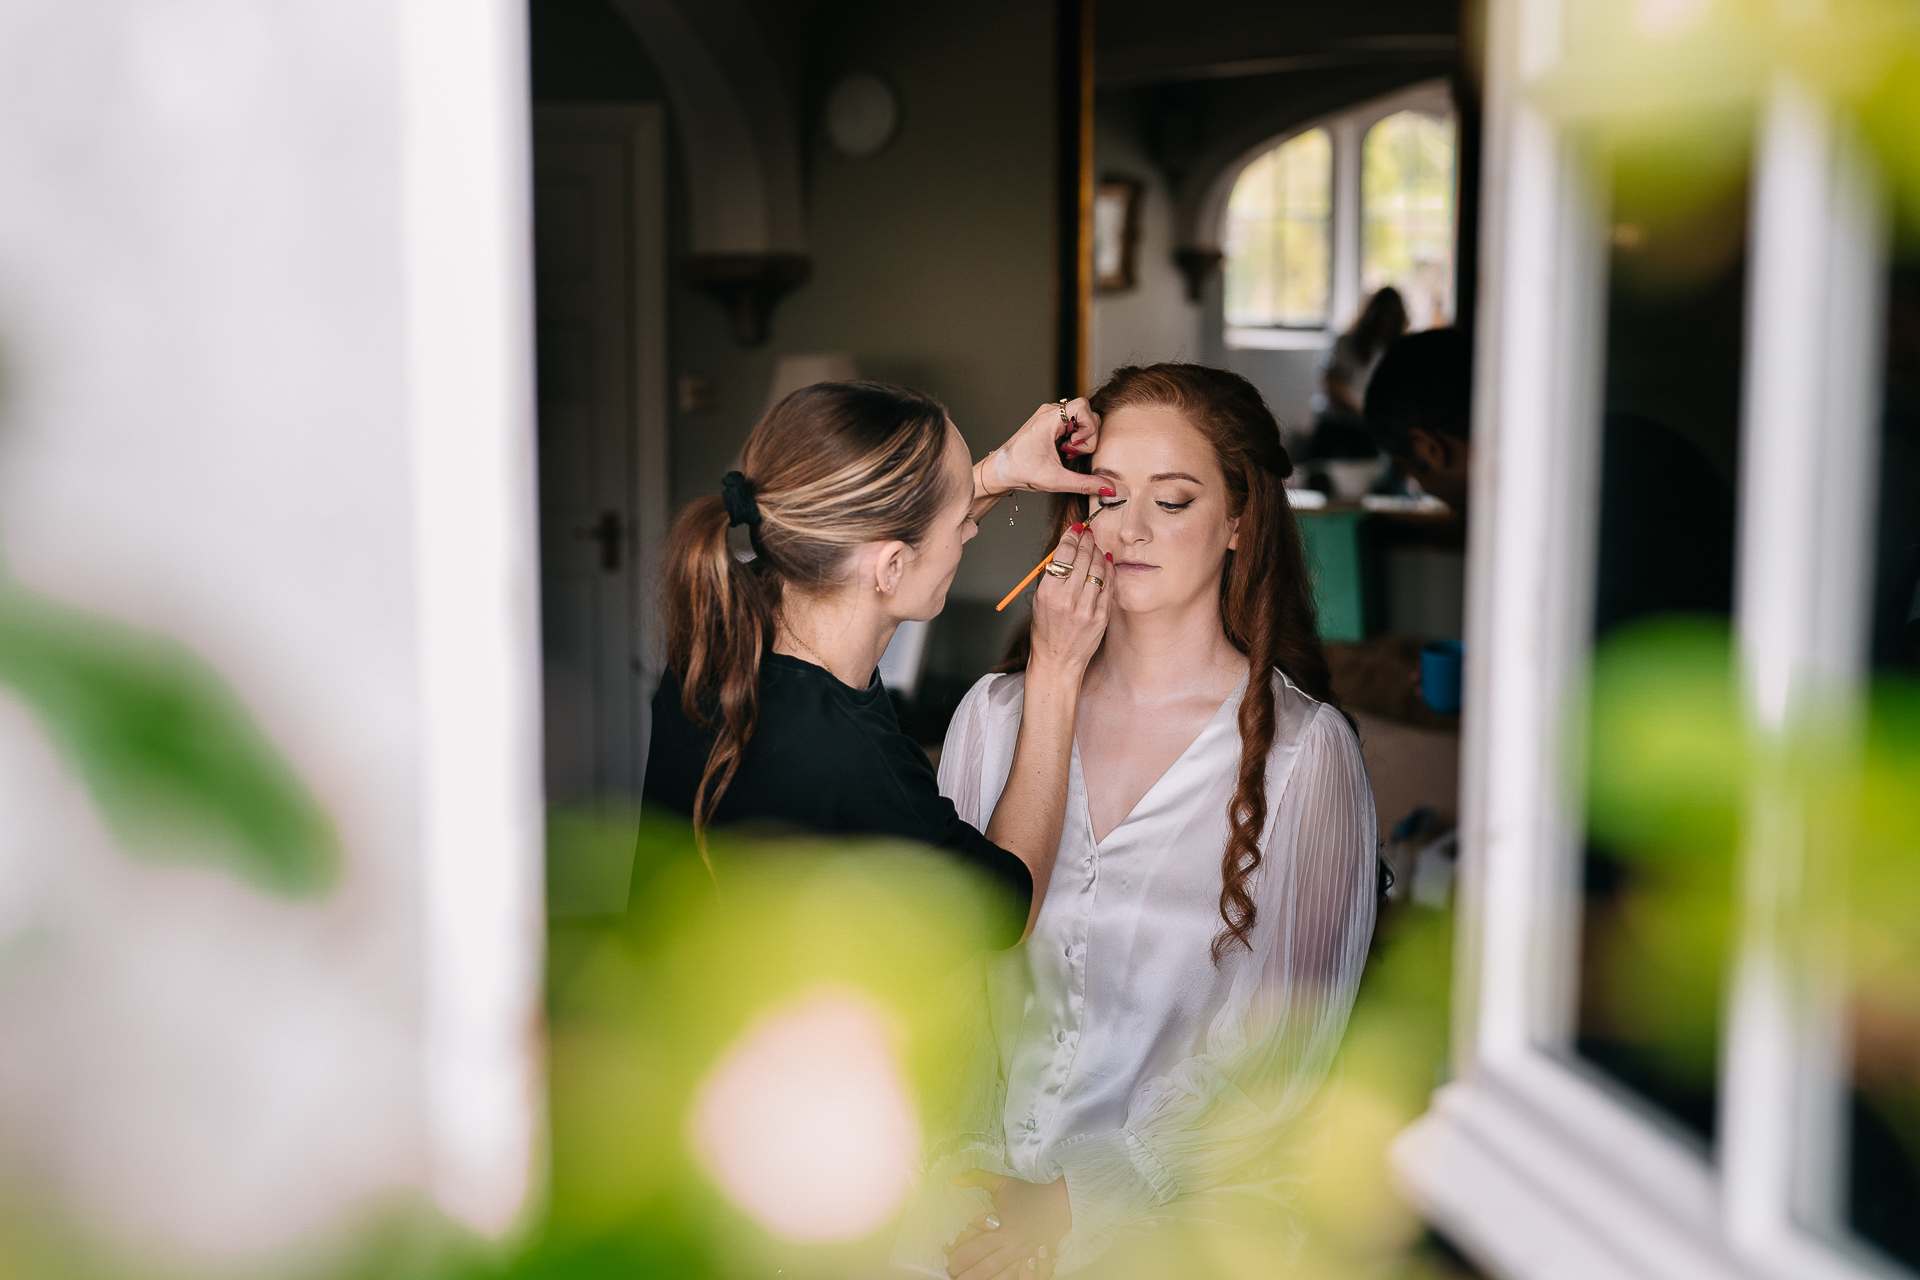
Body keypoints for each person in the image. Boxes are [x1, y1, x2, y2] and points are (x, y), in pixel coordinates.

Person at [895, 364, 1379, 1277]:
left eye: (1176, 500)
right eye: (1110, 498)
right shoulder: (994, 721)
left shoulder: (1307, 755)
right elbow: (947, 977)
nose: (1134, 530)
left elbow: (1278, 1060)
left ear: (1239, 520)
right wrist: (963, 1171)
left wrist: (1072, 1201)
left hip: (1182, 1215)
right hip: (977, 1186)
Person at [643, 381, 1115, 946]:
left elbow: (891, 540)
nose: (971, 528)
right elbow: (1004, 909)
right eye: (962, 518)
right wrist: (1057, 668)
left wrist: (1000, 471)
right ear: (890, 567)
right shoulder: (852, 761)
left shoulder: (720, 637)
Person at [1309, 286, 1408, 462]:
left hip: (1369, 428)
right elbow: (1333, 386)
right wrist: (1365, 414)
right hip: (1338, 424)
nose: (1386, 321)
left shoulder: (1395, 350)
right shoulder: (1345, 343)